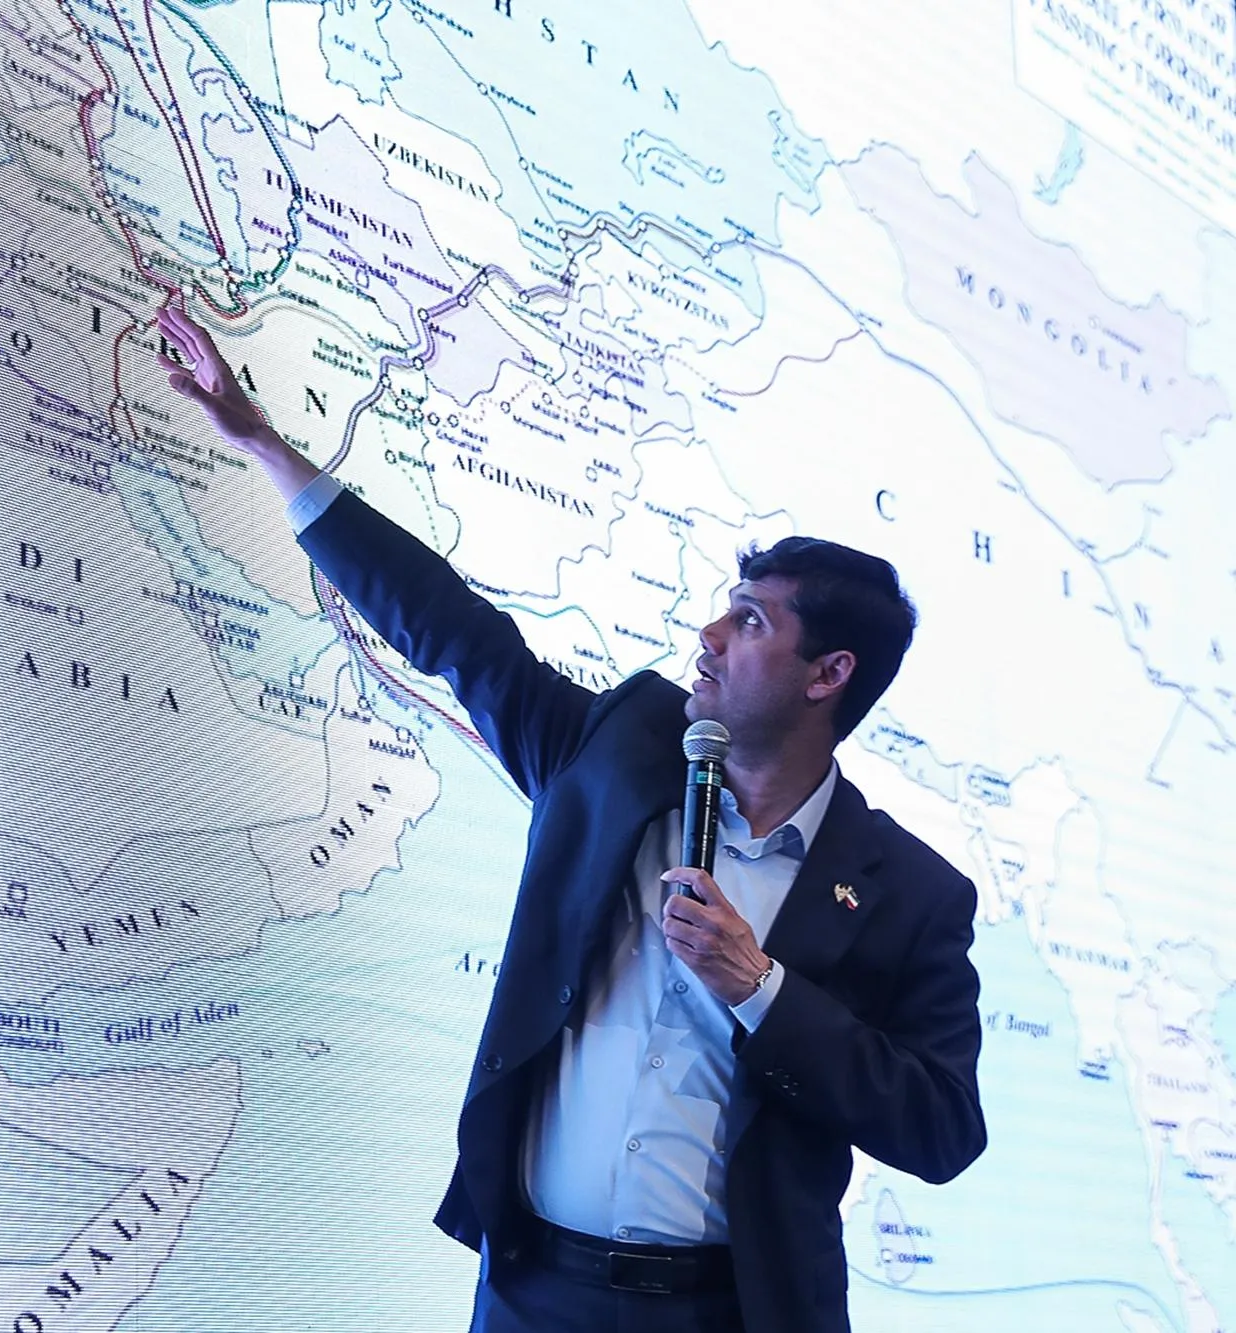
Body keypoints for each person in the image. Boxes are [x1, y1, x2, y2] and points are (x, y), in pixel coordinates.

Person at [154, 301, 987, 1333]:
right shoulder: (617, 750)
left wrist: (759, 988)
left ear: (828, 674)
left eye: (749, 620)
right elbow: (457, 637)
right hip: (533, 1295)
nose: (708, 633)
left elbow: (942, 1128)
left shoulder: (910, 894)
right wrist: (267, 450)